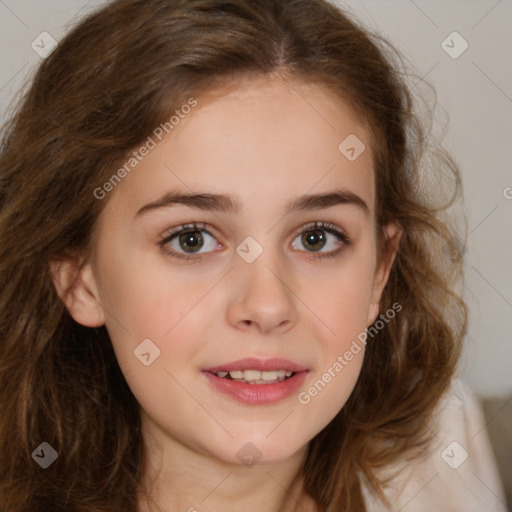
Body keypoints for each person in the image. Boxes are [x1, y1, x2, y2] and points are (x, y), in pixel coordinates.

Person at [0, 0, 506, 511]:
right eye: (192, 239)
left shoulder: (446, 458)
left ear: (380, 269)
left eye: (317, 238)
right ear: (78, 280)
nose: (267, 306)